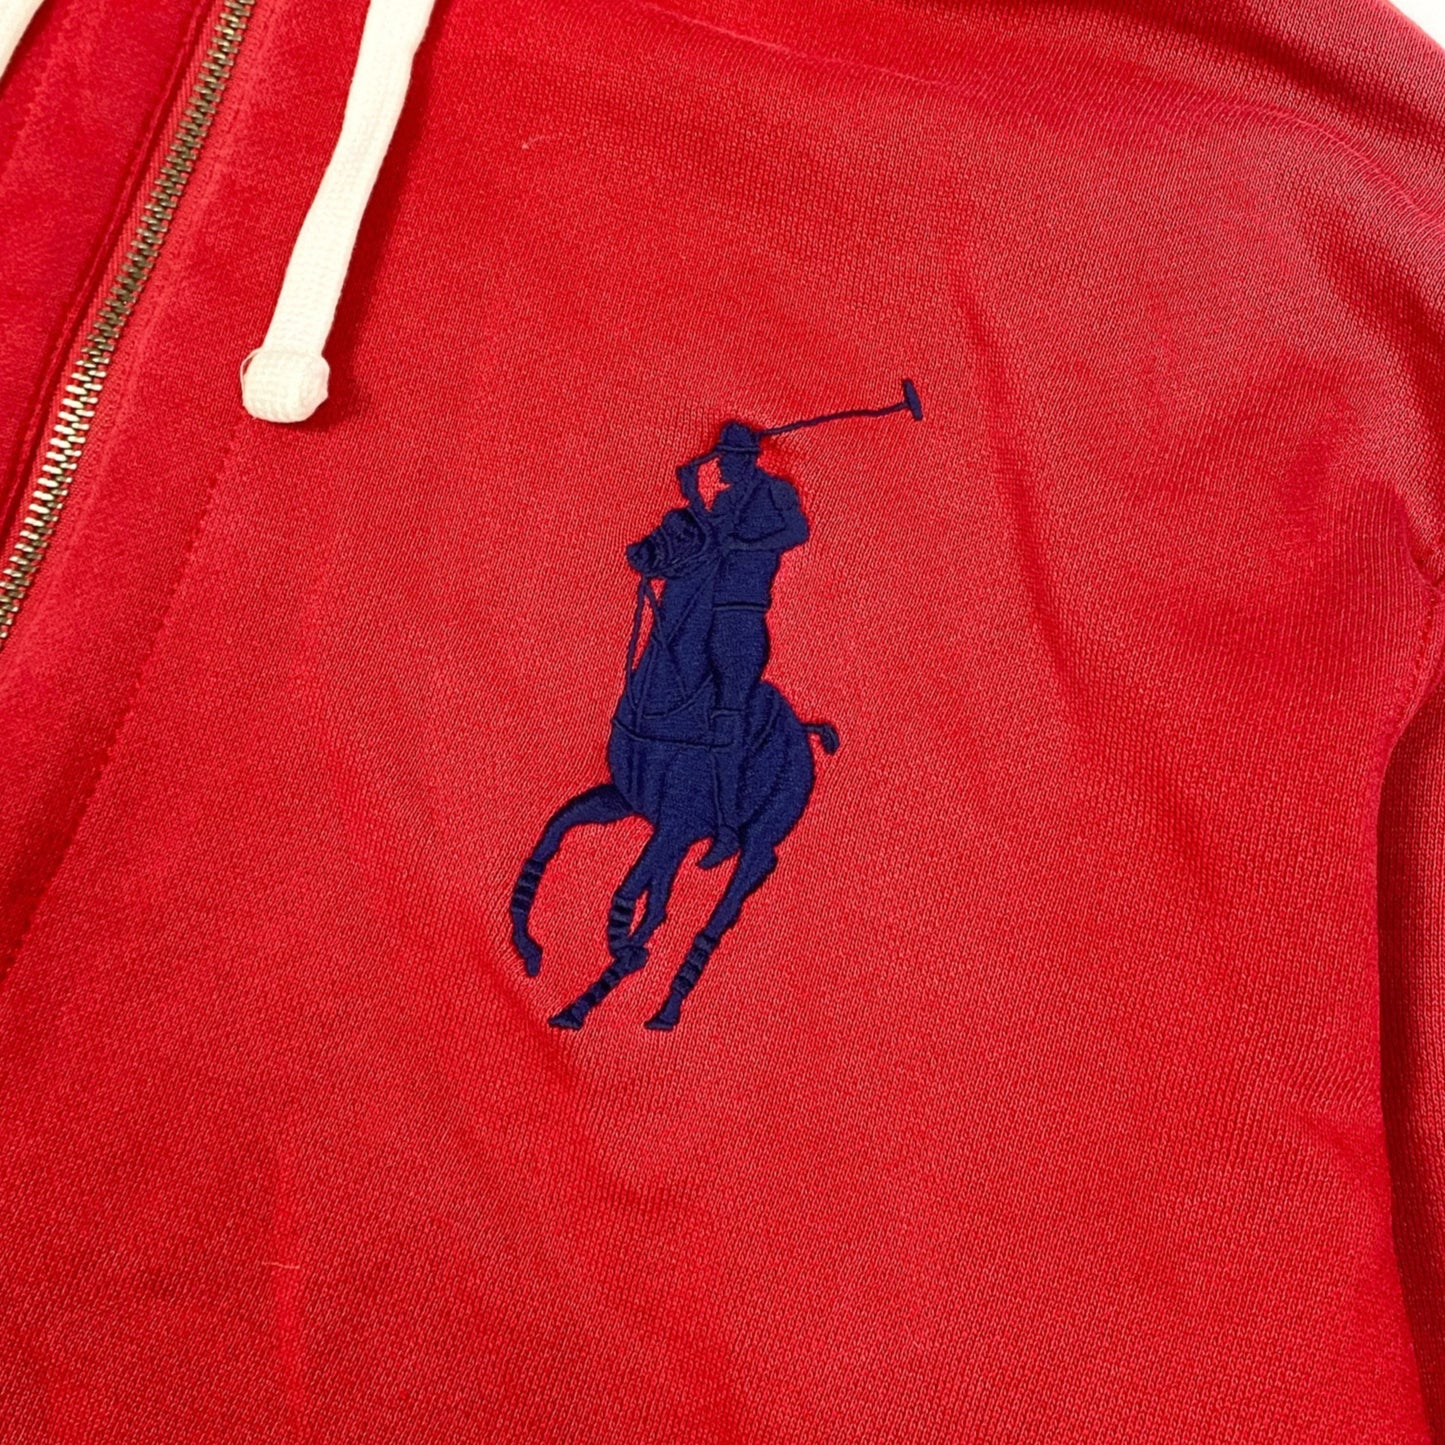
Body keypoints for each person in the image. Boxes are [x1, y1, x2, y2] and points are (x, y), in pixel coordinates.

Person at [676, 422, 810, 866]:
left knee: (727, 716)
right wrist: (692, 495)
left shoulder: (775, 492)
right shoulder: (727, 500)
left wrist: (749, 545)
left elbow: (798, 531)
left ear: (747, 460)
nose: (721, 467)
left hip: (743, 620)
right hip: (710, 615)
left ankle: (729, 826)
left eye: (728, 459)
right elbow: (710, 542)